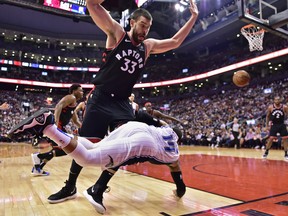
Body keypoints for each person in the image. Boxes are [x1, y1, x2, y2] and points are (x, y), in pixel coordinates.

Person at [45, 0, 198, 210]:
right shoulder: (117, 34)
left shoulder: (148, 46)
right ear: (132, 22)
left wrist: (193, 17)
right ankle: (70, 186)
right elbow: (93, 5)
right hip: (100, 98)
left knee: (125, 148)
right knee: (86, 144)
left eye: (149, 27)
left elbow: (174, 41)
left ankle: (98, 189)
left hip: (122, 103)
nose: (146, 30)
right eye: (143, 25)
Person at [8, 108, 186, 214]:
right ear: (179, 140)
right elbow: (179, 180)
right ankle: (48, 128)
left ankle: (96, 189)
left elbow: (151, 117)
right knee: (88, 158)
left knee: (95, 148)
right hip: (146, 144)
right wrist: (179, 191)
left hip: (135, 127)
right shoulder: (175, 153)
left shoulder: (165, 129)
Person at [30, 84, 83, 176]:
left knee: (57, 150)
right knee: (67, 149)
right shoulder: (71, 97)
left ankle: (38, 168)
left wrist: (85, 128)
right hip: (56, 126)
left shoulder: (74, 105)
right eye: (80, 90)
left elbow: (76, 121)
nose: (82, 92)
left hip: (59, 127)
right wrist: (55, 123)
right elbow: (58, 106)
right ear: (74, 91)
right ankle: (38, 157)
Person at [262, 96, 288, 160]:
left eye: (278, 99)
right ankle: (266, 152)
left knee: (285, 139)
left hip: (282, 124)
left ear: (280, 100)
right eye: (276, 100)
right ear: (274, 100)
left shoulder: (284, 107)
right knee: (270, 139)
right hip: (274, 125)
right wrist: (267, 125)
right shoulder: (270, 107)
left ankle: (286, 154)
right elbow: (267, 116)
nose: (277, 101)